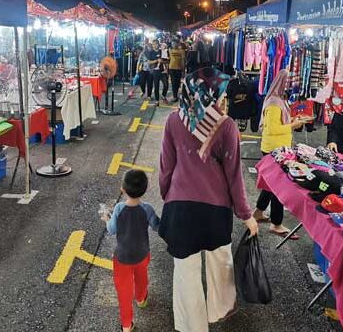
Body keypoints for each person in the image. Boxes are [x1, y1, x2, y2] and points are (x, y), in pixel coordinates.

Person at [159, 67, 258, 332]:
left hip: (180, 208)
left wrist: (168, 194)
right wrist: (246, 214)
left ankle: (192, 326)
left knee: (185, 275)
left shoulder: (173, 120)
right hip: (216, 210)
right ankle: (219, 310)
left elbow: (166, 166)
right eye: (222, 93)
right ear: (212, 94)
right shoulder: (226, 126)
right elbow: (234, 175)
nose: (225, 98)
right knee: (220, 266)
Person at [102, 170, 160, 332]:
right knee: (142, 277)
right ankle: (141, 299)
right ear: (145, 189)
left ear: (123, 190)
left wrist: (107, 219)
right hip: (142, 254)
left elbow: (112, 230)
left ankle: (127, 325)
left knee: (124, 292)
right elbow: (157, 226)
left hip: (122, 258)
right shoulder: (147, 208)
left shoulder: (119, 208)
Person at [253, 70, 303, 238]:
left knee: (270, 184)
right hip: (274, 150)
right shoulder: (274, 103)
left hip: (277, 148)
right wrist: (293, 125)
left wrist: (293, 120)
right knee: (278, 188)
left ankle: (259, 212)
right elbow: (272, 129)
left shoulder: (280, 100)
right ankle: (276, 223)